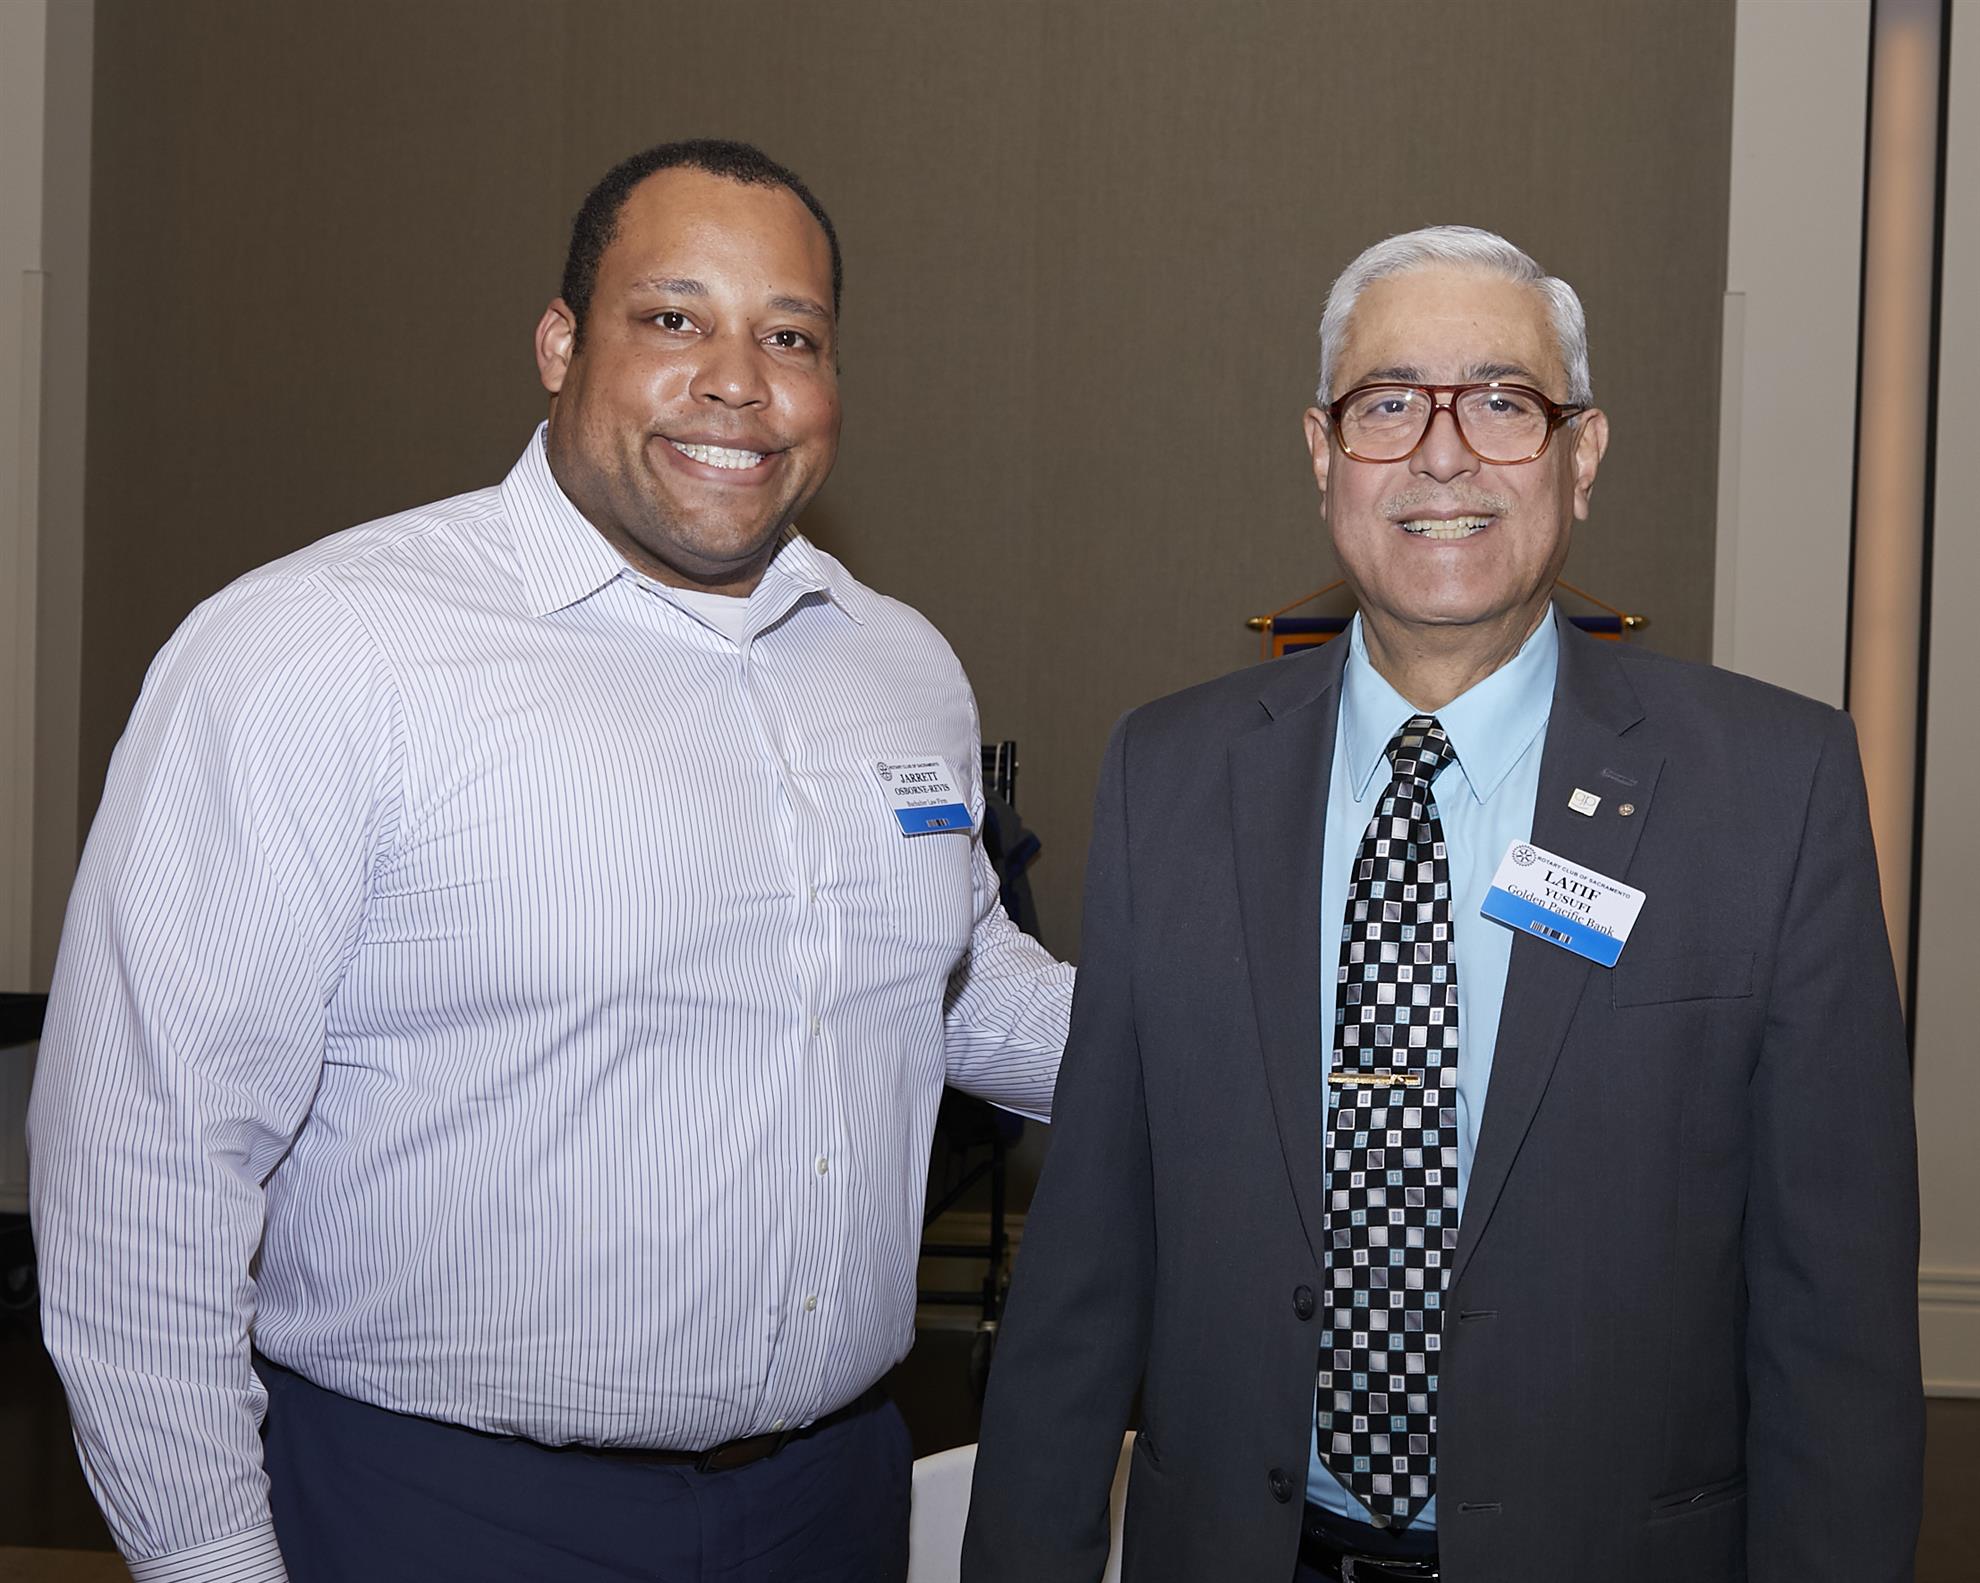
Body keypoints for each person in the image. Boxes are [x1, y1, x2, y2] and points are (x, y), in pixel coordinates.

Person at [30, 138, 1073, 1583]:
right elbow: (141, 1168)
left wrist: (1289, 1060)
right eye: (674, 317)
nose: (737, 379)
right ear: (560, 344)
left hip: (830, 1503)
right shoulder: (313, 651)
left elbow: (951, 978)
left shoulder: (895, 662)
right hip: (444, 1515)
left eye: (790, 335)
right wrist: (208, 1563)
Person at [961, 225, 1922, 1582]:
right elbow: (1086, 1260)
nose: (1444, 453)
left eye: (1505, 402)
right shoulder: (1167, 776)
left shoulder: (1775, 789)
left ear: (1583, 456)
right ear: (1322, 453)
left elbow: (1840, 1324)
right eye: (1388, 403)